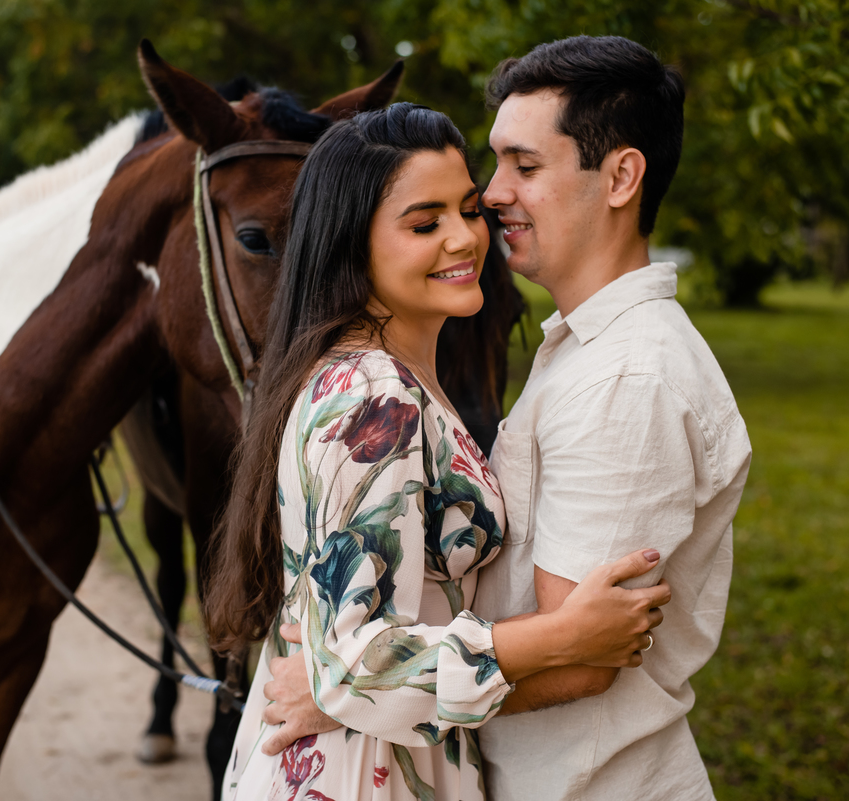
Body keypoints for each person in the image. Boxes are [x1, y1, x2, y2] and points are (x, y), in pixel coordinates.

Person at [252, 36, 753, 801]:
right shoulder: (391, 387)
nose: (489, 197)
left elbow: (583, 656)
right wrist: (349, 678)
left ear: (621, 176)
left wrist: (340, 691)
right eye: (430, 217)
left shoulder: (624, 375)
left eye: (523, 165)